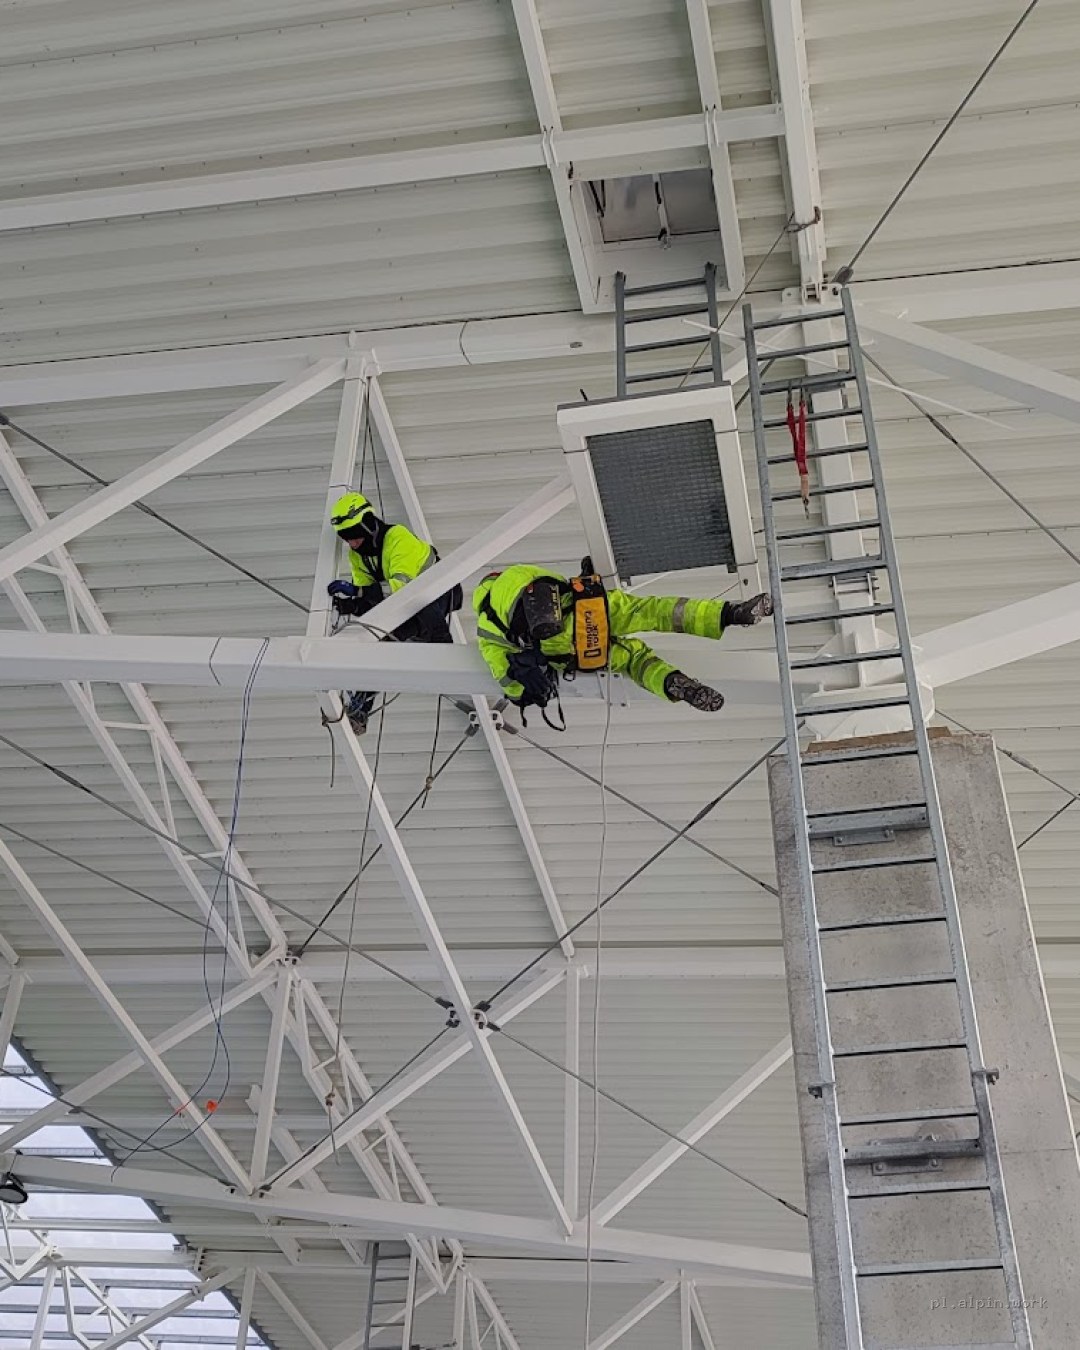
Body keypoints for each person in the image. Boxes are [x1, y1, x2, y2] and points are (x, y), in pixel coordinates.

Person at [473, 564, 772, 715]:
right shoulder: (518, 572)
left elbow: (508, 680)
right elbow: (562, 585)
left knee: (636, 662)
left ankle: (674, 683)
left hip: (572, 652)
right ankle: (733, 613)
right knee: (659, 612)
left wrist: (522, 688)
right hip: (590, 612)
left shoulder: (486, 631)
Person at [328, 491, 462, 734]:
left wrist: (358, 592)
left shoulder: (397, 537)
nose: (353, 542)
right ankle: (360, 708)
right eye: (346, 537)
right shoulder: (357, 555)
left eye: (354, 534)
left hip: (436, 596)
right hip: (405, 608)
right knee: (380, 645)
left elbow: (404, 589)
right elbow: (374, 600)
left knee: (419, 602)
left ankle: (445, 651)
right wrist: (353, 603)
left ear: (368, 524)